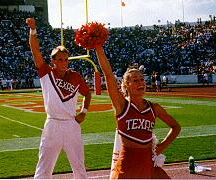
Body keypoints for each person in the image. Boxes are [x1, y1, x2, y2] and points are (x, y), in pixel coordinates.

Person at [94, 45, 181, 179]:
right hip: (127, 165)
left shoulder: (154, 108)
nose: (141, 83)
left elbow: (176, 127)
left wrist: (162, 147)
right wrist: (99, 47)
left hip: (148, 163)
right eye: (135, 80)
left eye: (142, 79)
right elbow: (108, 75)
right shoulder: (122, 105)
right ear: (126, 85)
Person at [26, 18, 91, 179]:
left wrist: (84, 111)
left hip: (71, 124)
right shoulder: (46, 72)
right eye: (60, 60)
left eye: (66, 59)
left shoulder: (76, 76)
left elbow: (88, 94)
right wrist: (33, 30)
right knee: (44, 167)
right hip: (53, 123)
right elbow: (35, 51)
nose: (64, 62)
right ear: (53, 61)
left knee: (79, 167)